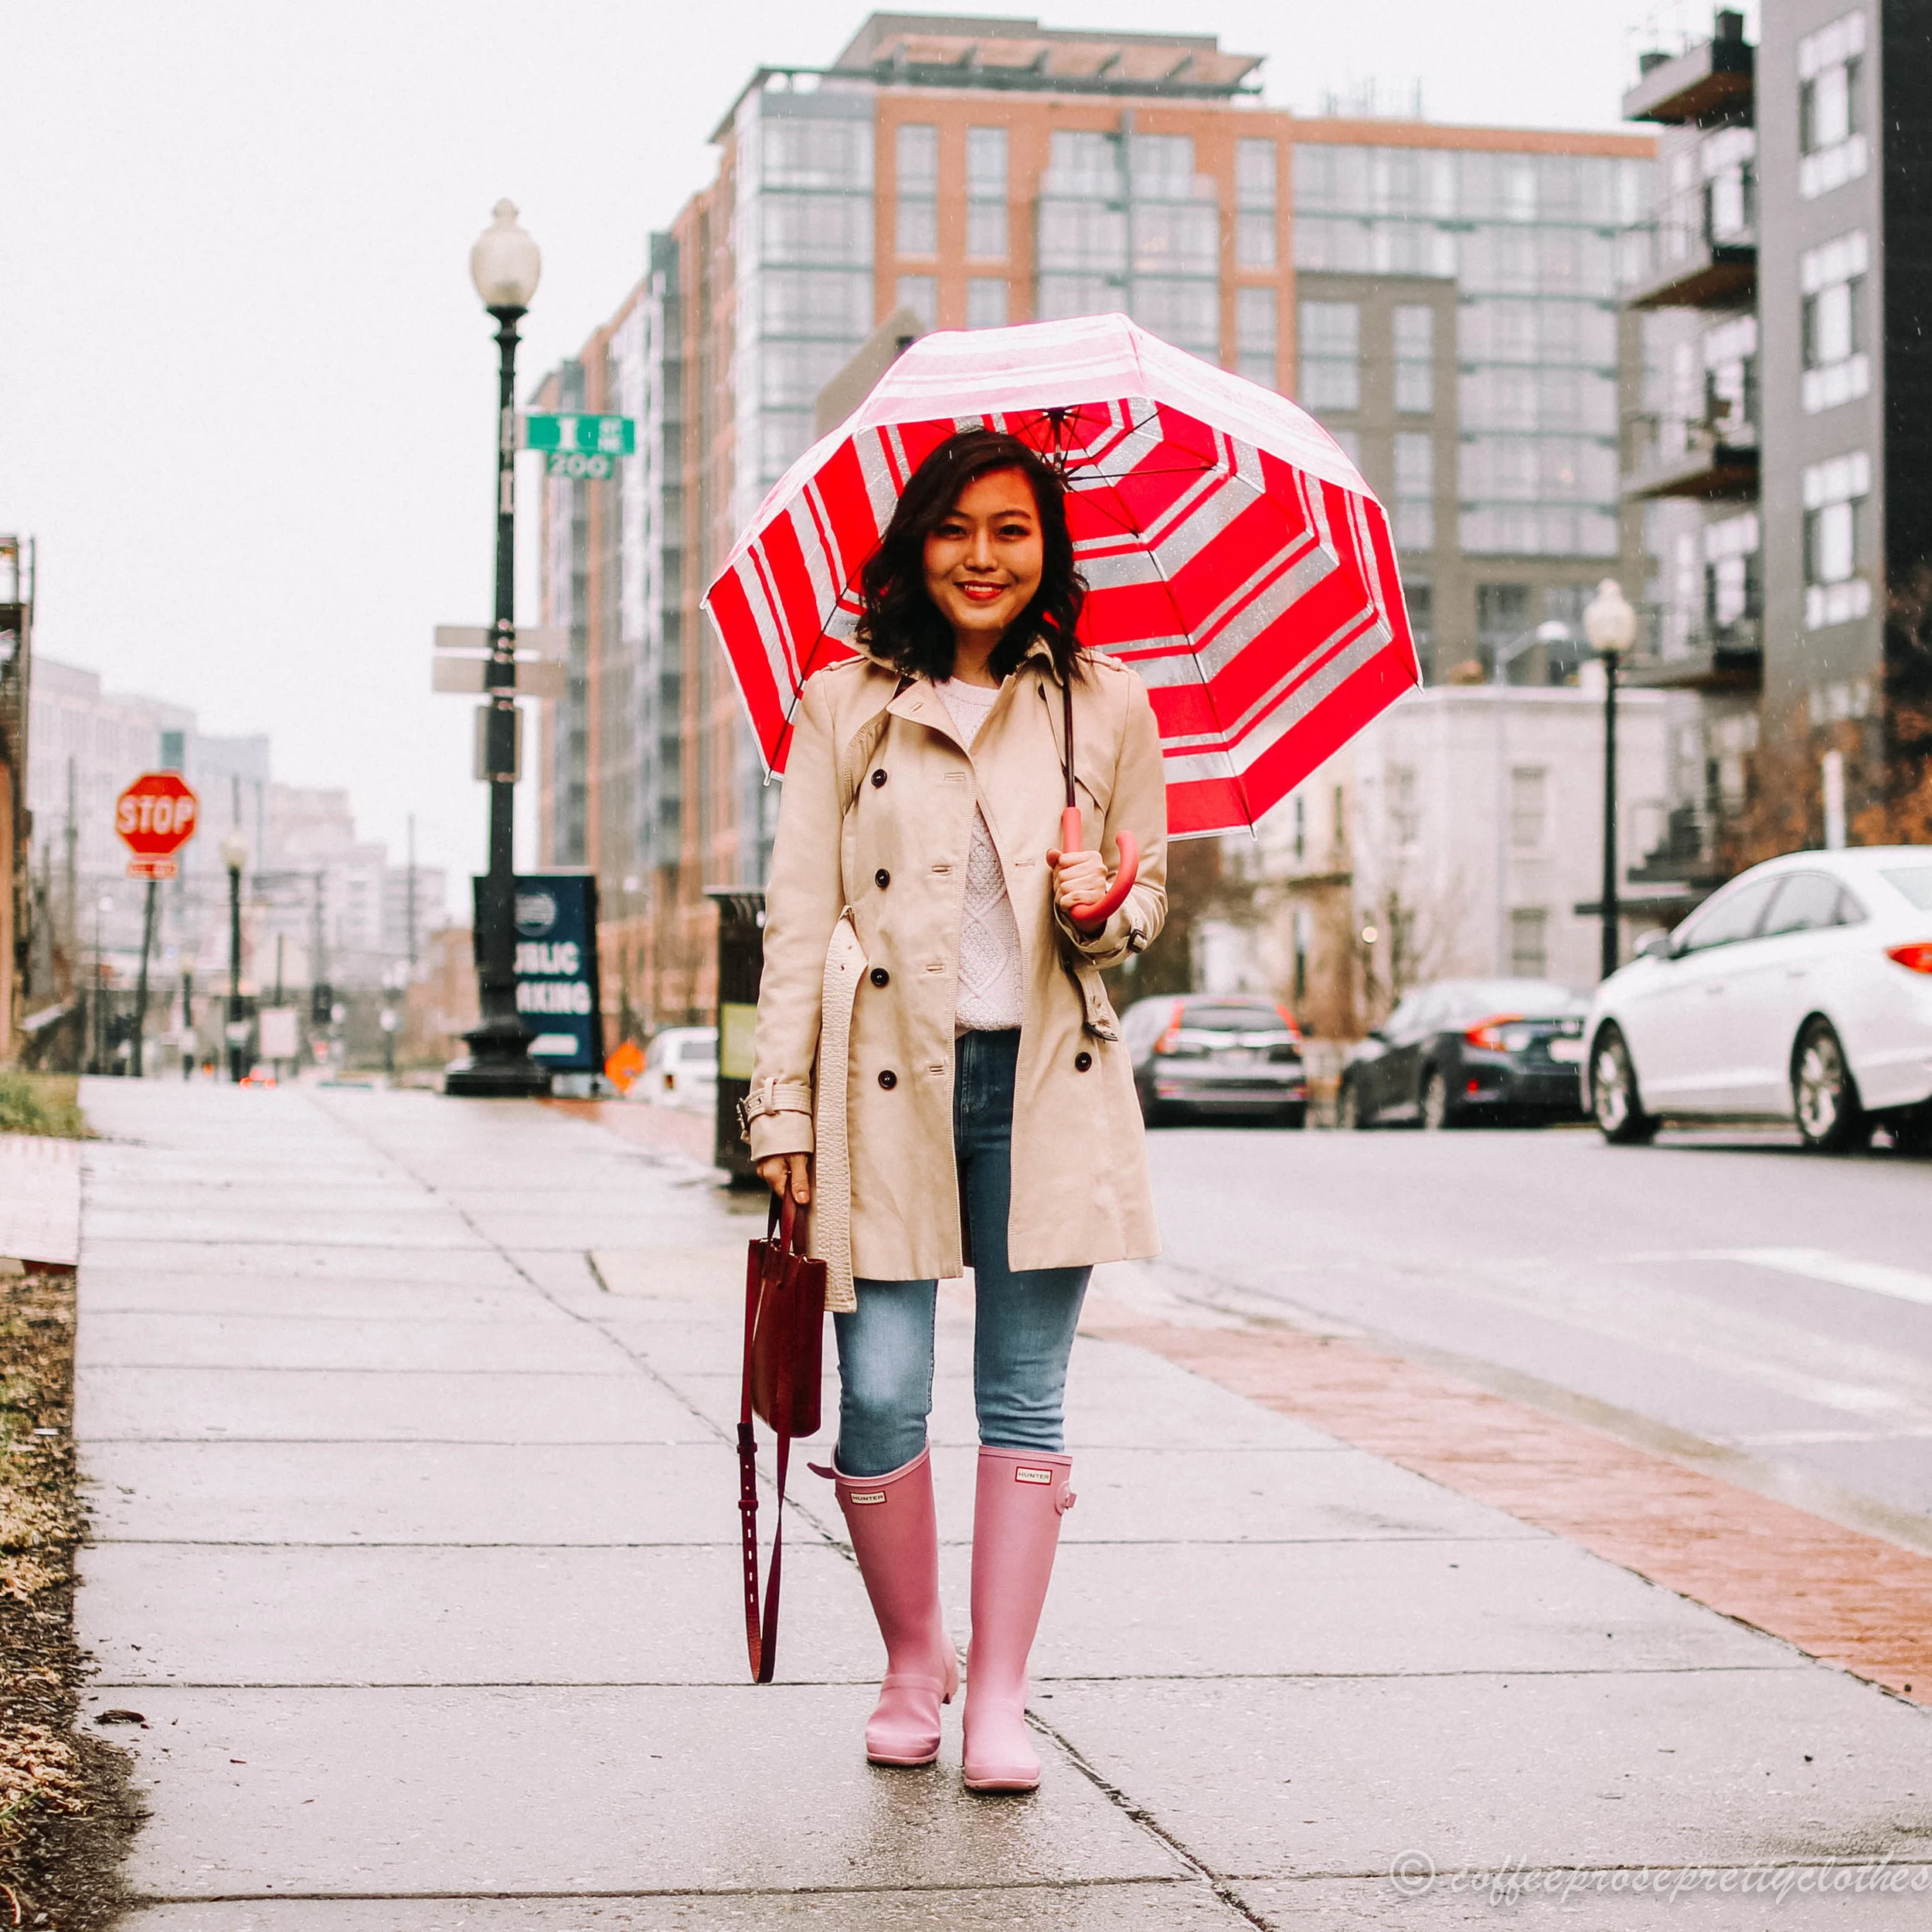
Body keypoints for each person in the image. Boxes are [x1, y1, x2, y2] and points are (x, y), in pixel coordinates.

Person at [743, 426, 1167, 1792]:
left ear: (1050, 549)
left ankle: (1001, 1700)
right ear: (914, 545)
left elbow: (1137, 905)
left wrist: (1101, 910)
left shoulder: (1105, 706)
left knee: (1025, 1400)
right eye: (955, 529)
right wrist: (782, 1118)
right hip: (882, 1095)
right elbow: (797, 922)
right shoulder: (845, 705)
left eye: (1013, 530)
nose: (983, 557)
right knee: (876, 1397)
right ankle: (911, 1662)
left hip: (1043, 1085)